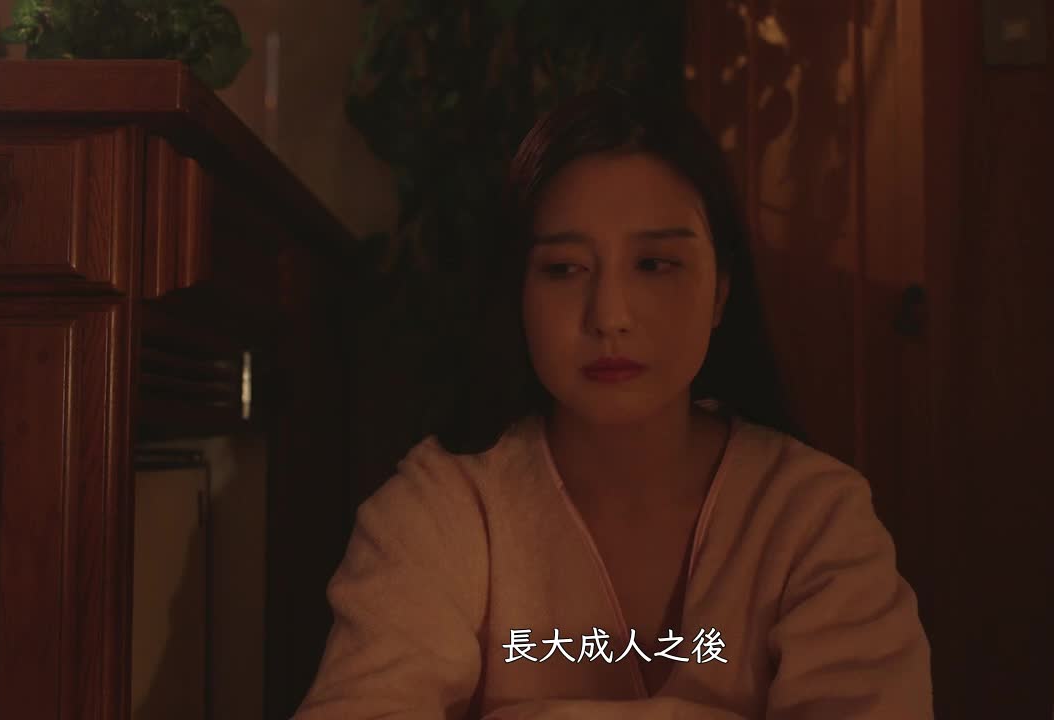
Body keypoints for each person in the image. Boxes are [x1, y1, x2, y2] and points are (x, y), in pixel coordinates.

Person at [293, 88, 933, 719]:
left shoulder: (812, 516)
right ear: (518, 292)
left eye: (654, 264)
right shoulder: (444, 508)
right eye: (564, 269)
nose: (610, 316)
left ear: (720, 291)